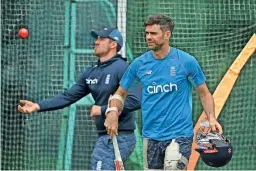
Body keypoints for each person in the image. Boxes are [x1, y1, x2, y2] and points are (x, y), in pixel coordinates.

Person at [104, 14, 223, 170]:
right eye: (146, 33)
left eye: (153, 33)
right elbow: (120, 94)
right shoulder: (139, 64)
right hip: (150, 137)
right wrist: (112, 111)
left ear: (167, 35)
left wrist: (212, 117)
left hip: (179, 136)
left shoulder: (186, 61)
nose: (148, 37)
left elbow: (204, 93)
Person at [17, 27, 141, 170]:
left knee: (99, 164)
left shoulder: (122, 68)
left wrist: (102, 110)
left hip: (121, 136)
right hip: (104, 136)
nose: (96, 42)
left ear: (113, 44)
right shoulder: (91, 72)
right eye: (96, 38)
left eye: (101, 38)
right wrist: (37, 106)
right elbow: (68, 97)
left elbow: (135, 100)